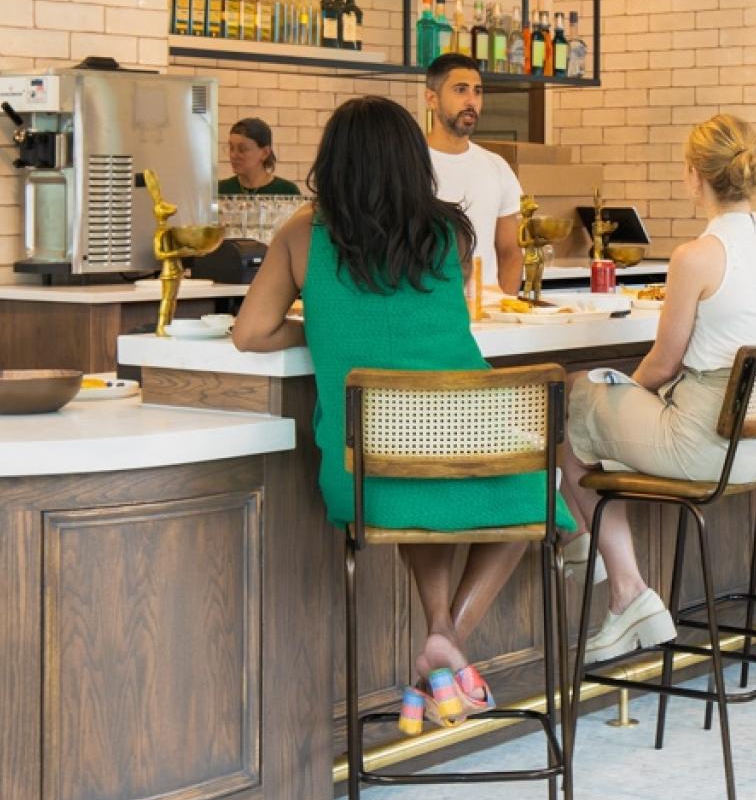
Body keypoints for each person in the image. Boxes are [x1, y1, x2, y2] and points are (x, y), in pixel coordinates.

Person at [229, 96, 570, 734]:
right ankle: (444, 639)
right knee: (539, 490)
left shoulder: (303, 233)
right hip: (471, 448)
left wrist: (322, 328)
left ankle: (441, 641)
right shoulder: (447, 231)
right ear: (412, 161)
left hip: (366, 473)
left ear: (333, 161)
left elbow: (250, 333)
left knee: (414, 483)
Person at [554, 115, 756, 664]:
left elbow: (664, 363)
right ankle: (595, 559)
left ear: (694, 176)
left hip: (705, 441)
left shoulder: (697, 256)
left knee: (569, 400)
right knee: (584, 411)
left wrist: (622, 397)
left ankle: (617, 579)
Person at [424, 53, 524, 295]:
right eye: (460, 90)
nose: (471, 100)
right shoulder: (407, 164)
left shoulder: (497, 167)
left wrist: (505, 308)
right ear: (432, 99)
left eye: (477, 91)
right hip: (430, 315)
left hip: (488, 316)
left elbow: (511, 251)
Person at [217, 117, 301, 196]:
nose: (233, 155)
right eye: (231, 148)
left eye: (242, 149)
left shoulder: (287, 191)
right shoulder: (220, 190)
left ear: (265, 153)